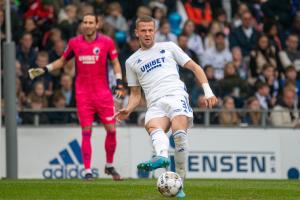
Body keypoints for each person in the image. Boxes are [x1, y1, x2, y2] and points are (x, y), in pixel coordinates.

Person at [114, 16, 218, 198]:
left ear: (155, 31)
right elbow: (136, 95)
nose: (147, 34)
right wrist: (128, 109)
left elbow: (195, 67)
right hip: (155, 103)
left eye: (150, 30)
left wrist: (208, 91)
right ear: (136, 33)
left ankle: (180, 185)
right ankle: (161, 156)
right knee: (153, 126)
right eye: (143, 30)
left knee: (179, 136)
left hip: (176, 95)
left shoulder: (168, 47)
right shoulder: (131, 62)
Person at [28, 13, 125, 181]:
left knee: (112, 130)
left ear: (97, 24)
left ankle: (109, 166)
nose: (87, 25)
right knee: (86, 132)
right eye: (84, 22)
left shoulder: (107, 42)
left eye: (90, 22)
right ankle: (87, 171)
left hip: (103, 94)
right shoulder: (74, 43)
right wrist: (45, 69)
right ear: (82, 25)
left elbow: (116, 62)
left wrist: (119, 82)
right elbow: (62, 61)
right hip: (83, 95)